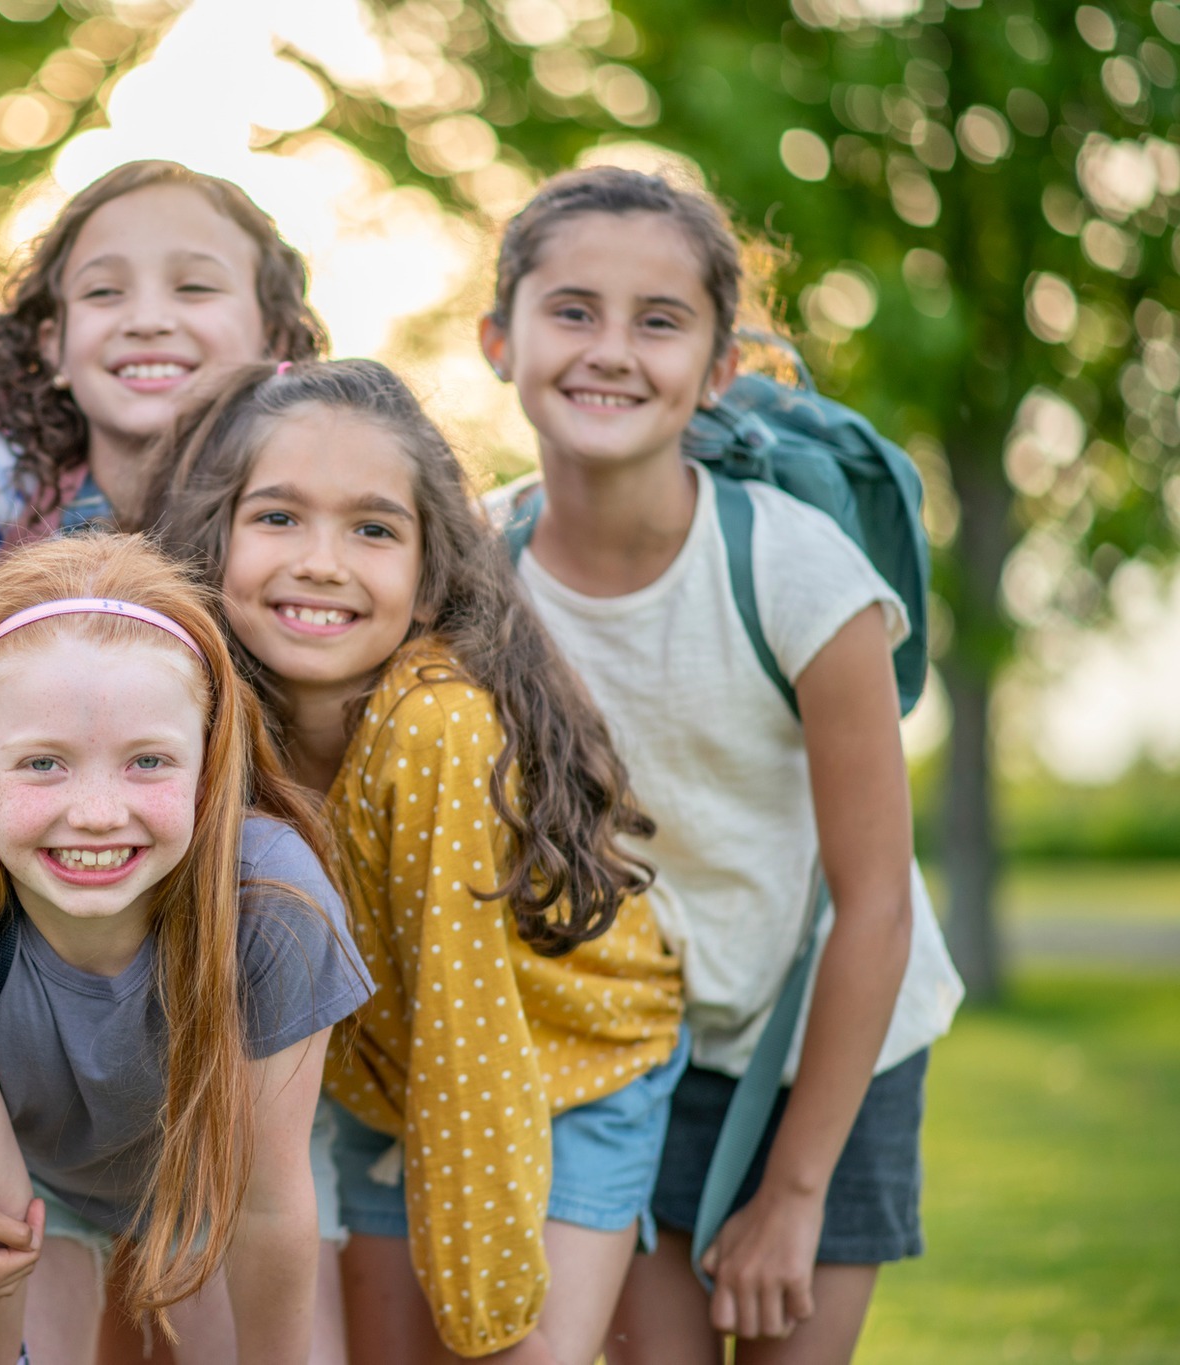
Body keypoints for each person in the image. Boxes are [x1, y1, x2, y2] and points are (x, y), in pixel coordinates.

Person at [478, 167, 962, 1362]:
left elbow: (877, 902)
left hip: (833, 1038)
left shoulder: (795, 574)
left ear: (717, 368)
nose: (610, 352)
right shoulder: (475, 565)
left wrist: (792, 1199)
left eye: (658, 322)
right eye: (571, 310)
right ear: (499, 340)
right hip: (630, 1049)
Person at [152, 358, 687, 1364]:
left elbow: (465, 1024)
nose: (320, 561)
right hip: (389, 1080)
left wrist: (488, 1319)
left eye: (370, 528)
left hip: (566, 1063)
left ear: (431, 567)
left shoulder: (436, 728)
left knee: (510, 1350)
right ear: (212, 540)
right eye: (277, 518)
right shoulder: (214, 713)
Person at [0, 534, 374, 1365]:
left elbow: (266, 1207)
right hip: (38, 1189)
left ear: (211, 762)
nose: (99, 812)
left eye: (149, 761)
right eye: (43, 764)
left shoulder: (271, 905)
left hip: (215, 1172)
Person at [0, 160, 327, 586]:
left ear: (273, 338)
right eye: (104, 291)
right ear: (54, 346)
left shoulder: (328, 506)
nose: (146, 320)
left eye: (195, 287)